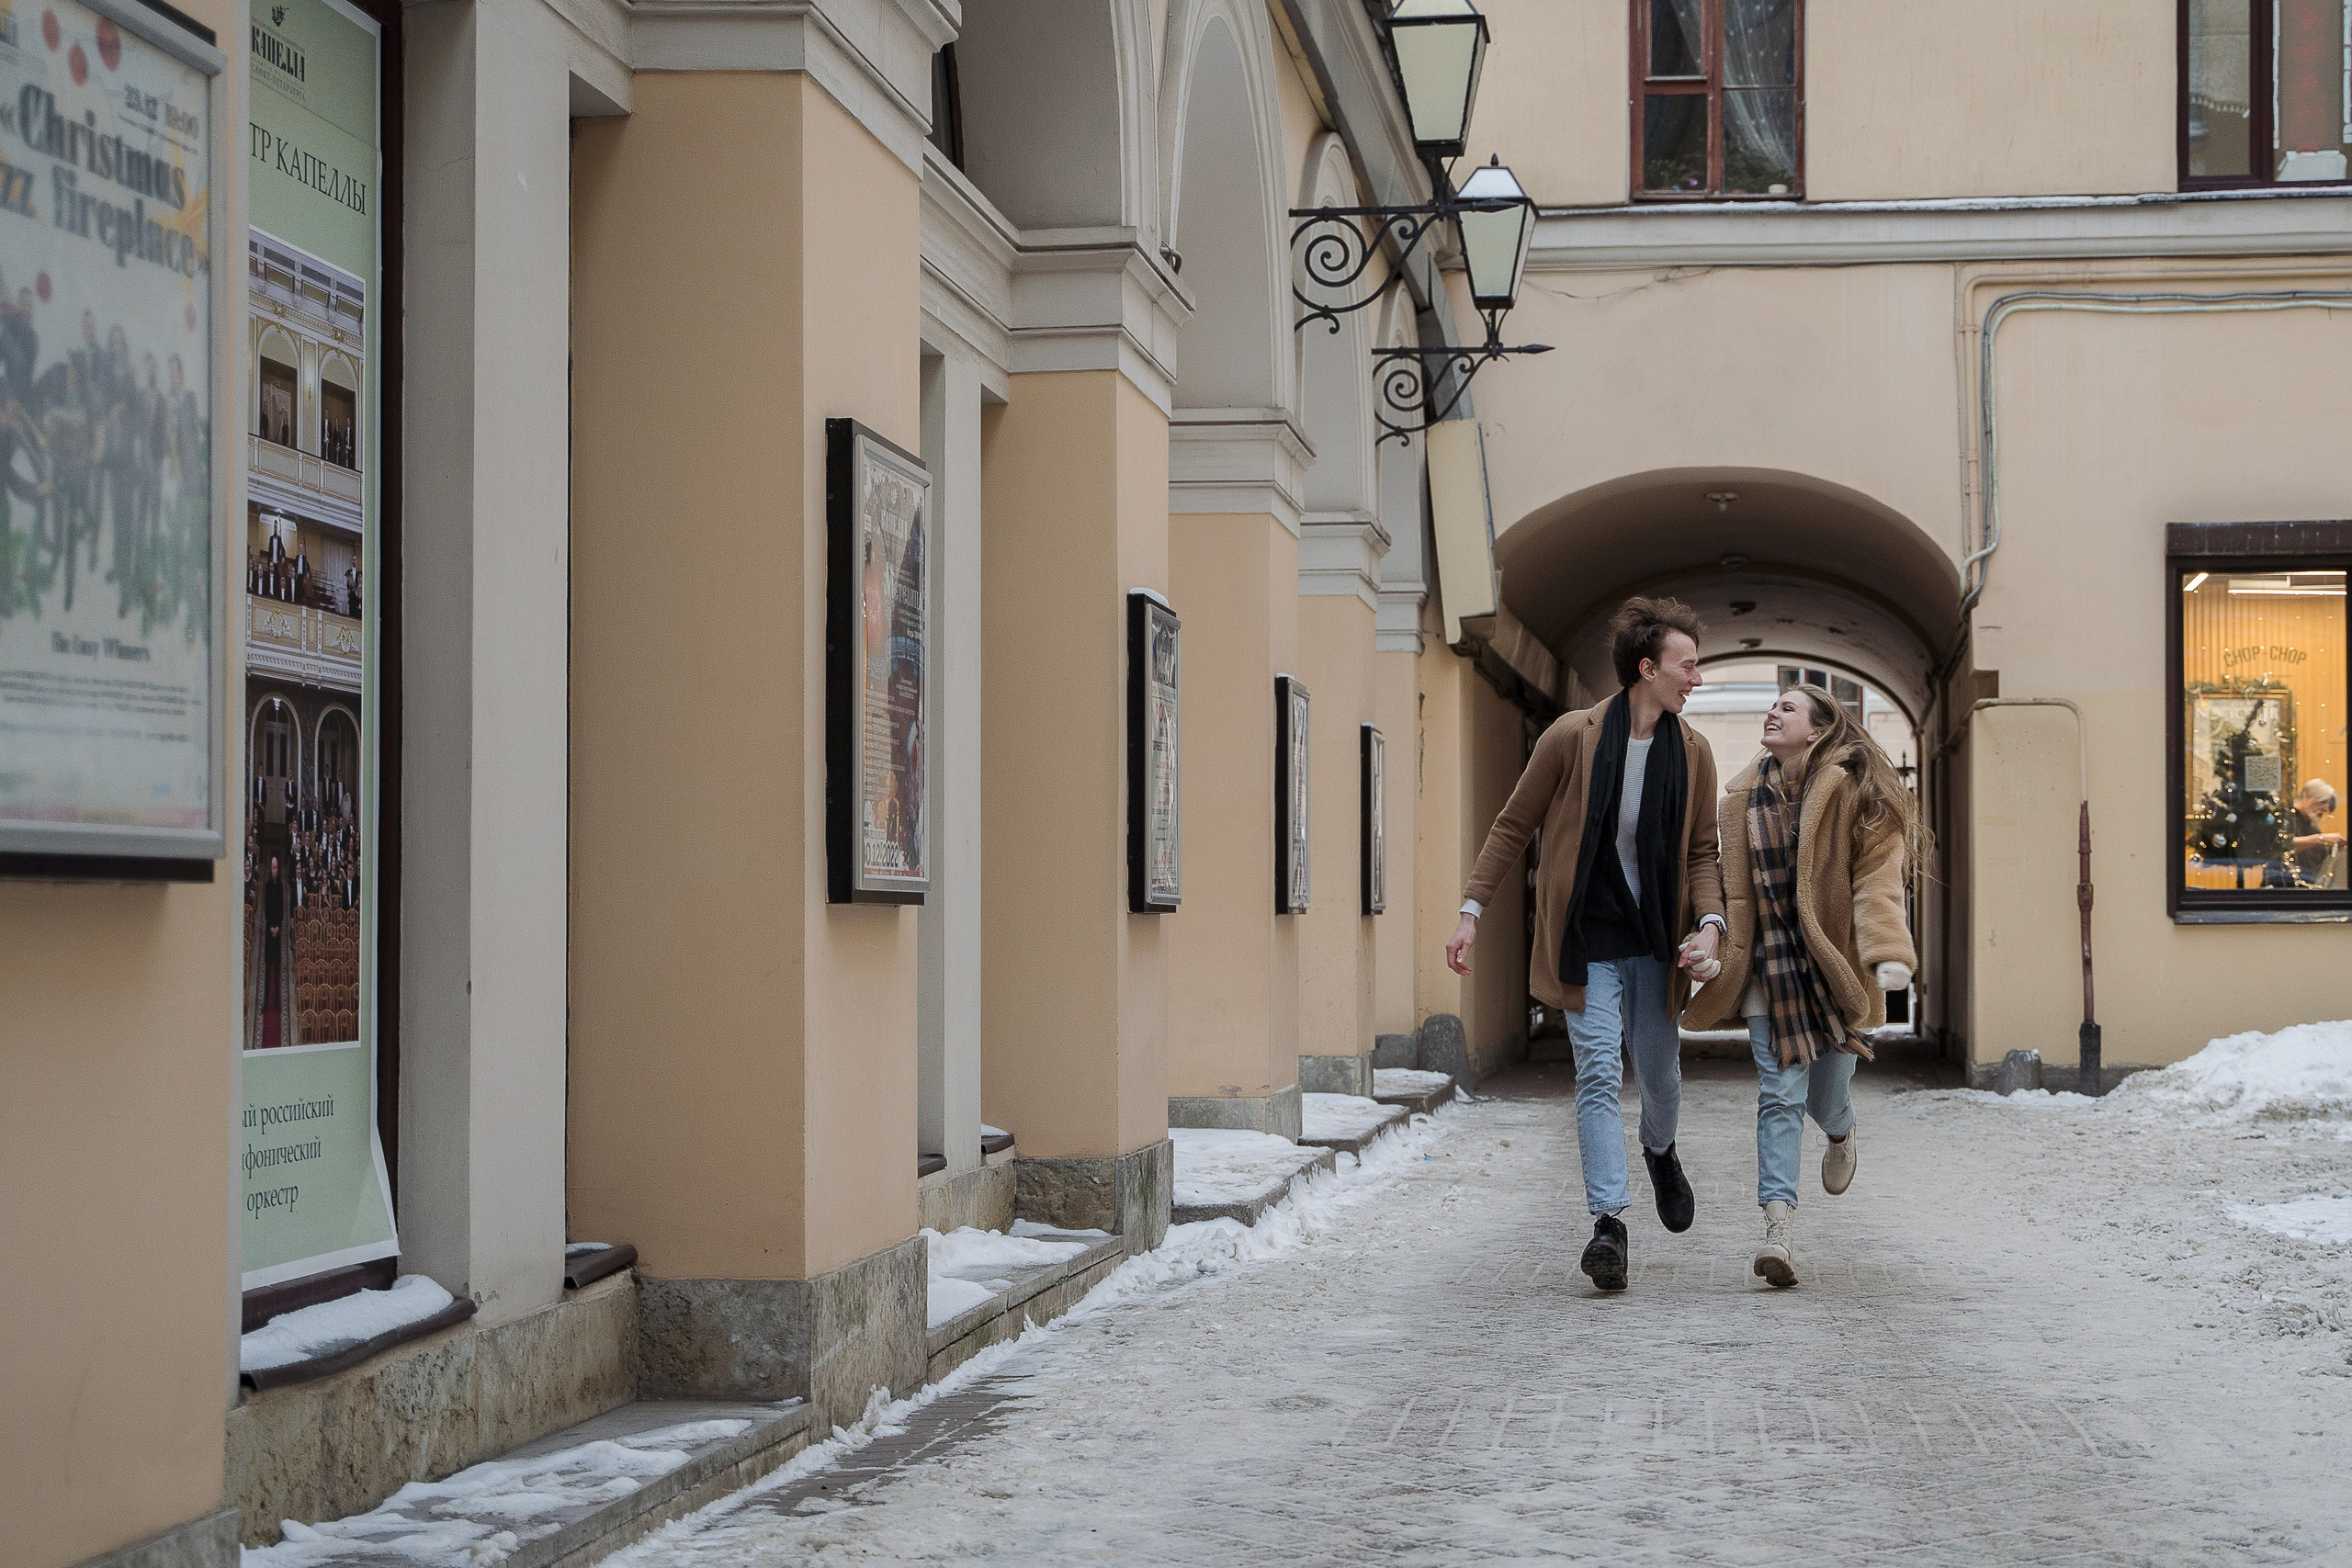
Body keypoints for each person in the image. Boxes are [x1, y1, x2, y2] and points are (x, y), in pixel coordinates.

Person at [1445, 597, 1726, 1292]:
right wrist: (1471, 909)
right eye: (1686, 665)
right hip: (1586, 934)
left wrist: (1712, 923)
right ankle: (1609, 1223)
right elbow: (1514, 824)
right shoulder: (1572, 736)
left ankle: (1660, 1150)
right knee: (1599, 1071)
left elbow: (1701, 852)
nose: (1696, 677)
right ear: (1647, 667)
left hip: (1657, 936)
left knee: (1659, 1077)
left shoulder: (1693, 752)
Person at [1685, 683, 1919, 1289]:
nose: (1772, 711)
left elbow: (1878, 882)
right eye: (1773, 704)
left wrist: (1890, 953)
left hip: (1835, 970)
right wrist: (1712, 943)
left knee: (1822, 1099)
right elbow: (1724, 883)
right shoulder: (1739, 802)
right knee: (1779, 1094)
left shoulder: (1852, 791)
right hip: (1770, 970)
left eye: (1787, 707)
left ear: (1815, 731)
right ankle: (1778, 1229)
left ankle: (1841, 1130)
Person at [2288, 778, 2344, 886]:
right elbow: (2281, 845)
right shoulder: (2285, 819)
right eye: (2322, 802)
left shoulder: (2312, 828)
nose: (2325, 809)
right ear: (2306, 796)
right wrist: (2320, 839)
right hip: (2285, 890)